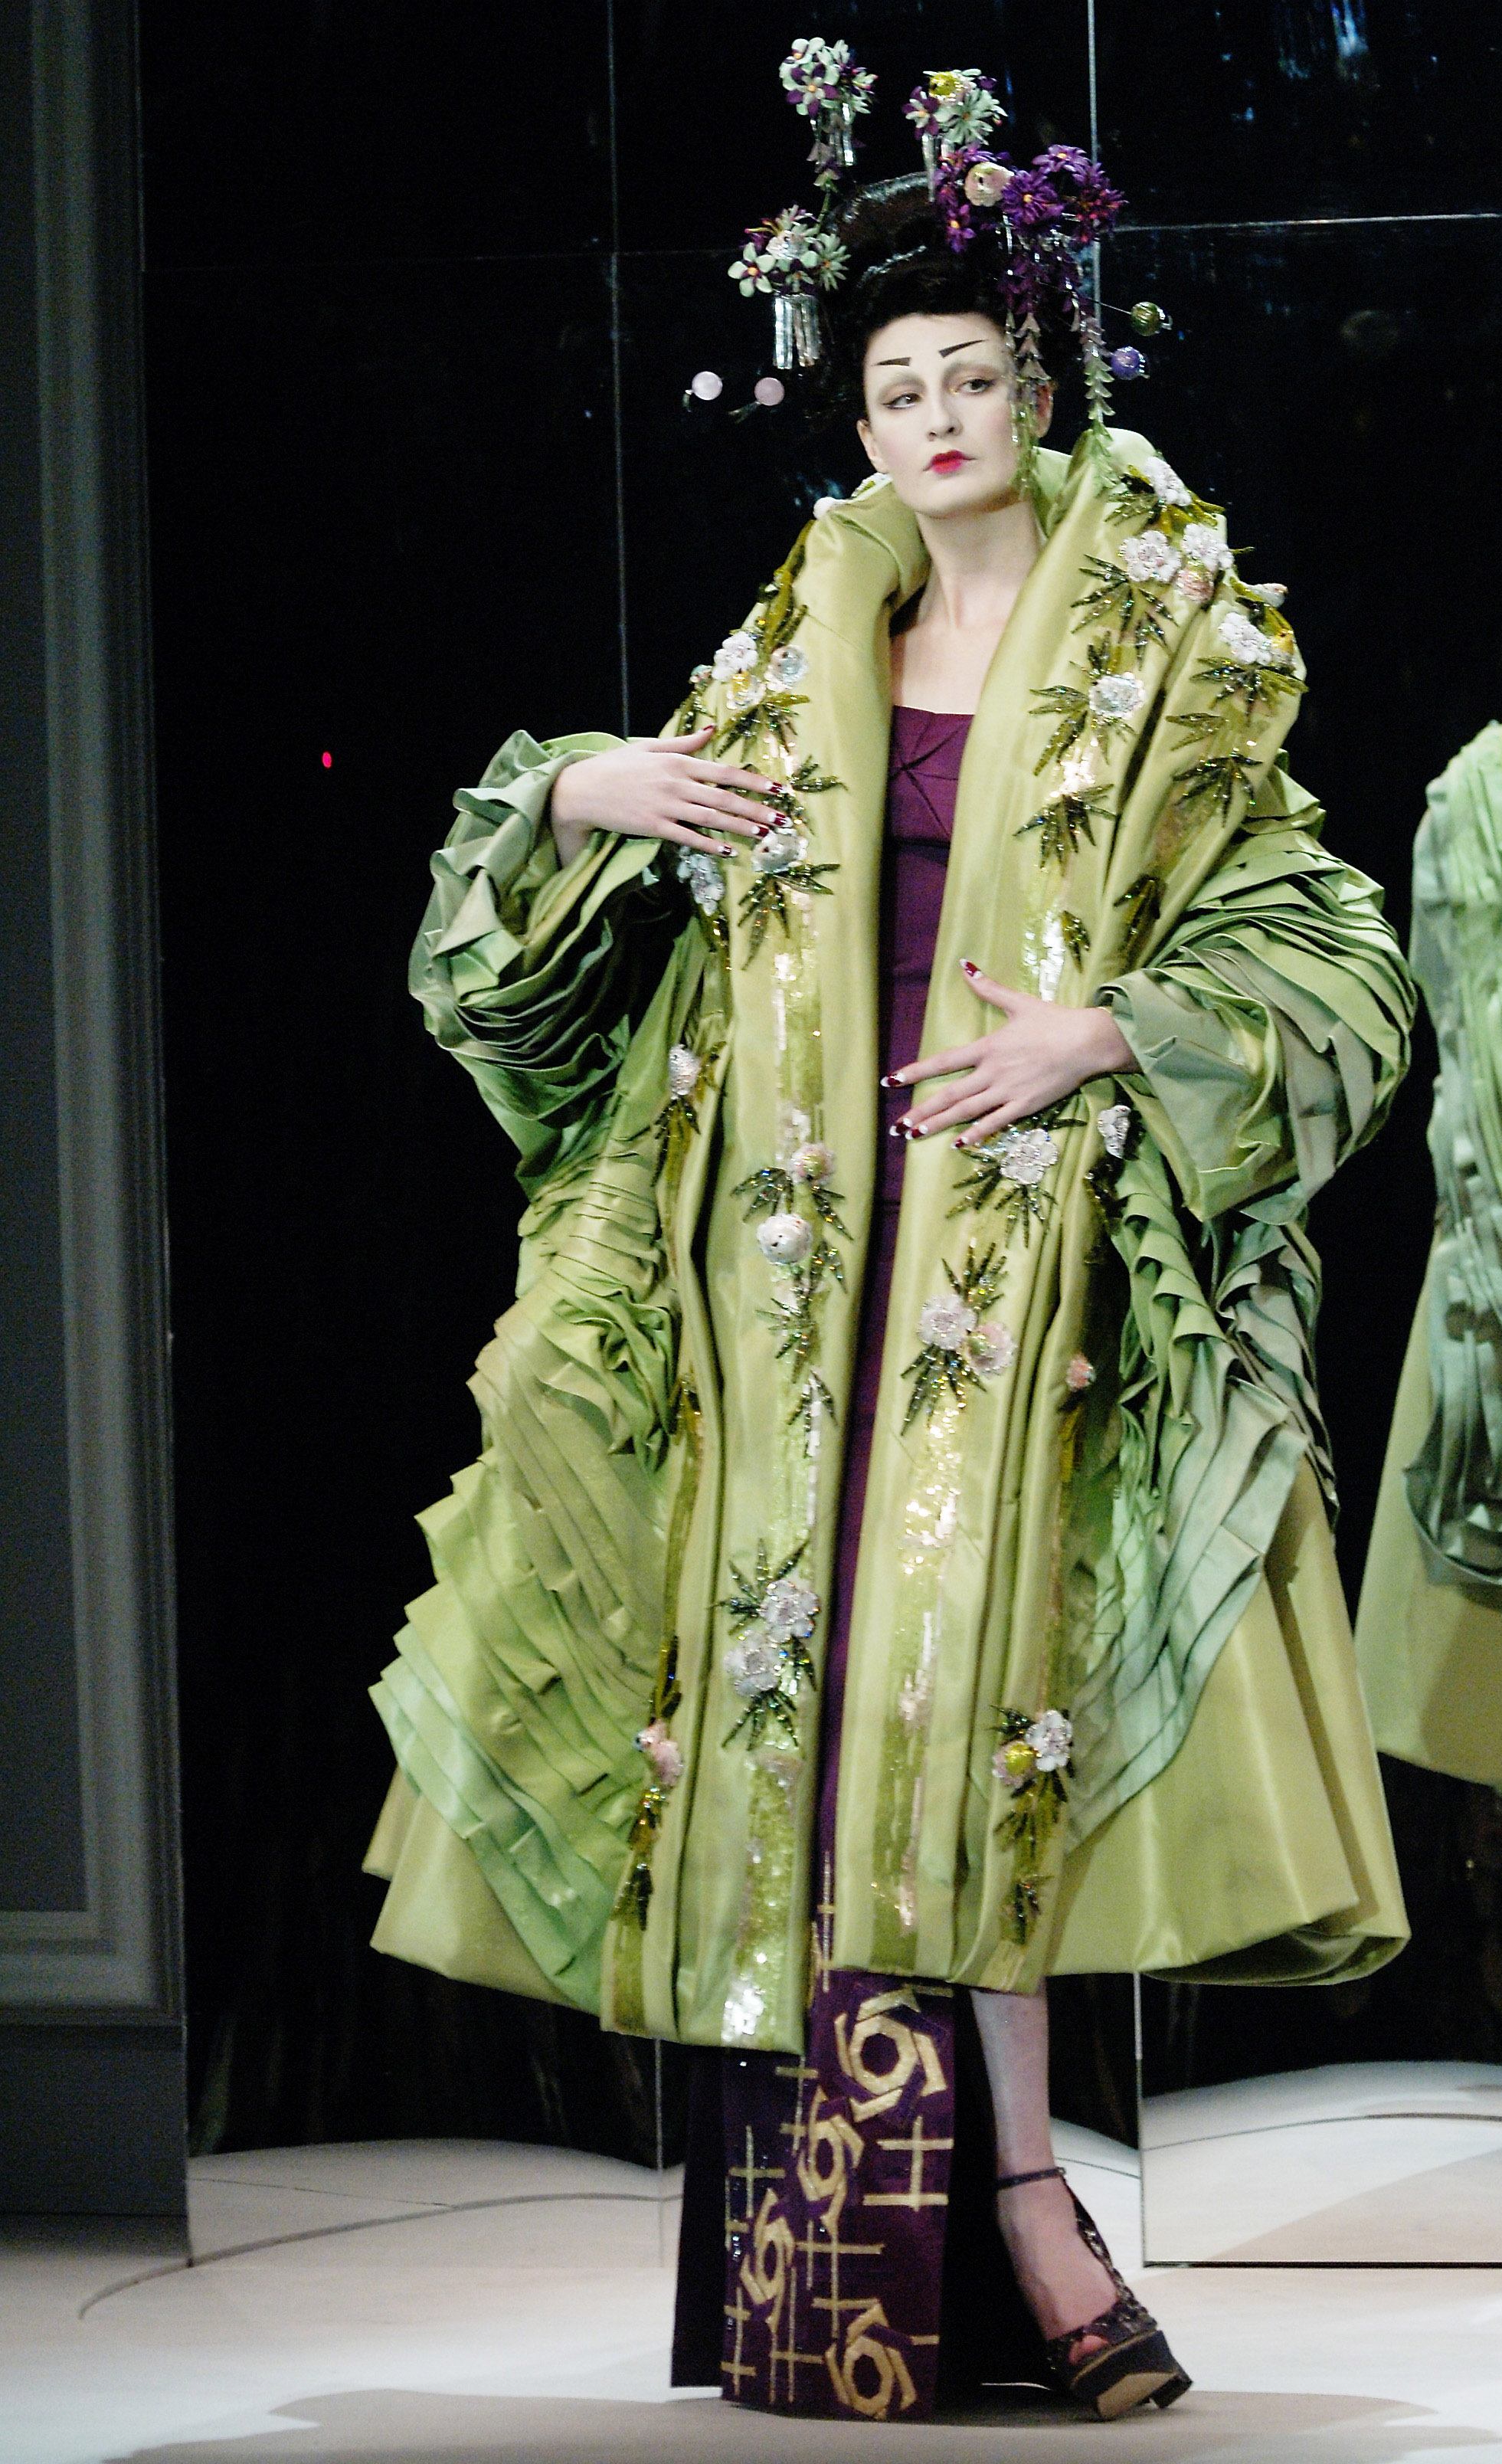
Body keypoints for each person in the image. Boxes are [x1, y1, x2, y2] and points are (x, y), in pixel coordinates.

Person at [365, 99, 1413, 2423]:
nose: (938, 419)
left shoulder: (1166, 649)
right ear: (859, 428)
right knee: (811, 1718)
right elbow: (572, 936)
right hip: (788, 1267)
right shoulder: (803, 641)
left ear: (1038, 391)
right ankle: (838, 2256)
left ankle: (1026, 2193)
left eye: (971, 376)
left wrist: (1104, 1032)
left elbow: (1331, 953)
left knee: (976, 1709)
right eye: (896, 390)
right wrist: (577, 789)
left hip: (1021, 1271)